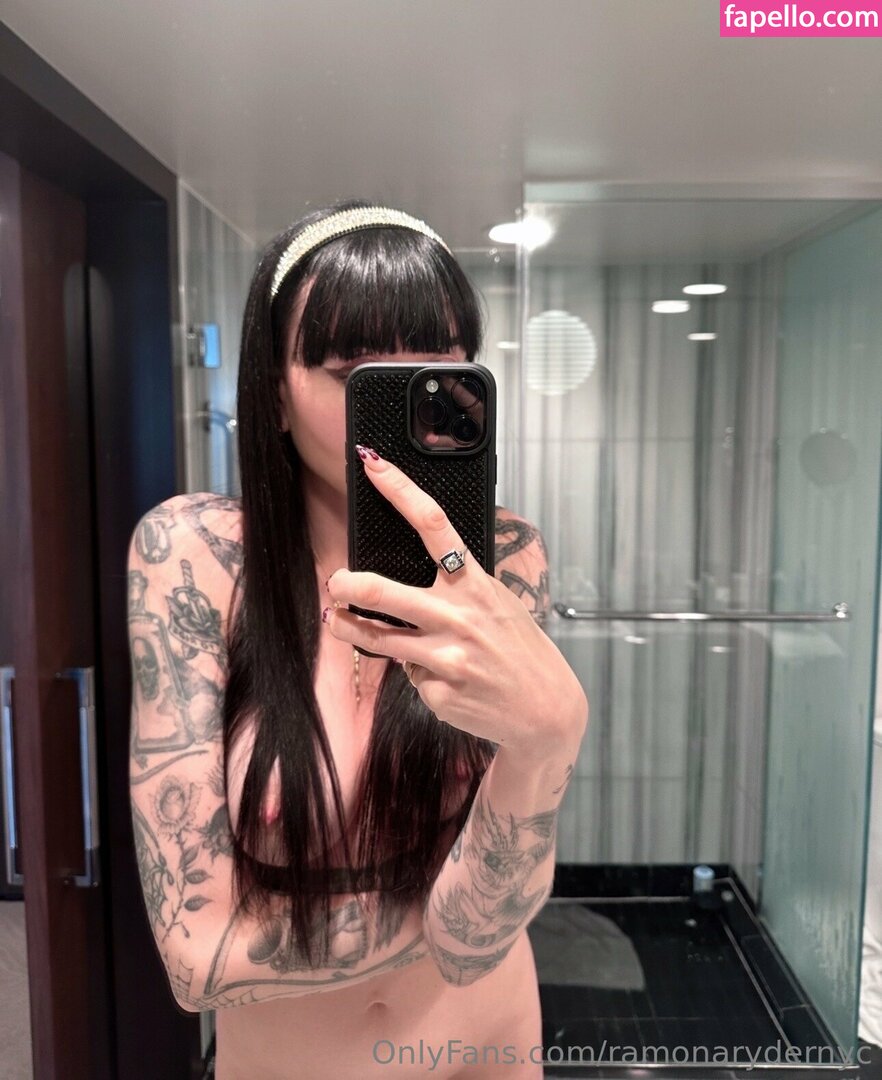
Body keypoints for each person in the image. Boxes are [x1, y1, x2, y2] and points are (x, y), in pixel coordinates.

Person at [127, 200, 589, 1079]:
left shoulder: (505, 559)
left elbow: (483, 945)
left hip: (484, 1052)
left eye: (441, 375)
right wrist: (446, 921)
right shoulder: (195, 557)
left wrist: (551, 740)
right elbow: (195, 960)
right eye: (360, 377)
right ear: (274, 392)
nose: (413, 413)